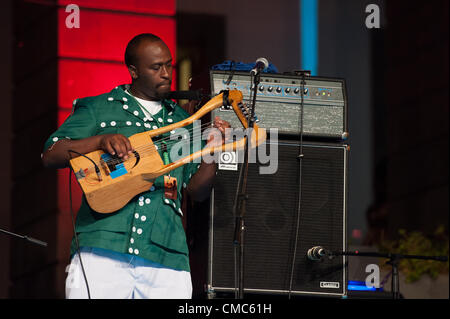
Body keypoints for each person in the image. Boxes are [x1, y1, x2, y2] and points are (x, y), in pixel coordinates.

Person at [41, 33, 230, 299]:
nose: (166, 74)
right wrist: (100, 140)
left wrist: (214, 150)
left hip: (166, 253)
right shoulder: (100, 108)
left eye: (169, 65)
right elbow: (51, 153)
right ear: (133, 71)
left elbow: (196, 191)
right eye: (156, 67)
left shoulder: (183, 121)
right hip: (103, 245)